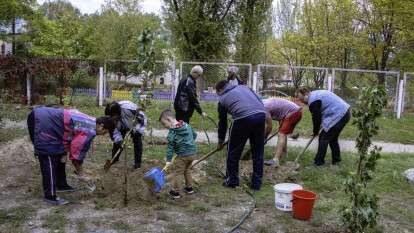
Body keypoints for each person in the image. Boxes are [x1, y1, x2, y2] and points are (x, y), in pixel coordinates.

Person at [27, 106, 115, 205]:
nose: (103, 135)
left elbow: (71, 137)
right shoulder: (89, 130)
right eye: (105, 132)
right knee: (49, 156)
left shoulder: (90, 121)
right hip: (43, 121)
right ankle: (50, 196)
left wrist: (65, 153)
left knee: (60, 154)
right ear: (101, 126)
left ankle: (61, 184)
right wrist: (81, 174)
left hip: (45, 118)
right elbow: (76, 153)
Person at [216, 80, 266, 190]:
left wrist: (220, 141)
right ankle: (256, 183)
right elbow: (260, 102)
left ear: (220, 90)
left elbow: (223, 123)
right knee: (258, 151)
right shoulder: (244, 88)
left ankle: (232, 180)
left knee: (233, 151)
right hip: (261, 115)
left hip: (242, 118)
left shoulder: (222, 99)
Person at [295, 88, 351, 166]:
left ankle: (319, 163)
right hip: (344, 112)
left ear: (306, 94)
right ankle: (337, 161)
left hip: (340, 114)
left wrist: (315, 131)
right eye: (300, 101)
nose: (302, 102)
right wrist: (316, 130)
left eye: (302, 99)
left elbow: (316, 118)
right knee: (332, 138)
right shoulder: (314, 95)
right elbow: (319, 116)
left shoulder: (313, 102)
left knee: (323, 138)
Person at [159, 109, 197, 199]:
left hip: (182, 155)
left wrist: (168, 161)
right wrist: (189, 143)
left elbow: (170, 148)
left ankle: (175, 192)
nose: (165, 127)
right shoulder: (186, 125)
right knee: (187, 169)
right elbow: (194, 135)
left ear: (169, 119)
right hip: (192, 153)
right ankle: (189, 188)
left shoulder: (173, 132)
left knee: (178, 173)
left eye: (164, 124)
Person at [105, 100, 147, 169]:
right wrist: (118, 140)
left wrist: (137, 130)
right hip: (122, 125)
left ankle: (137, 163)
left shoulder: (129, 108)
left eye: (113, 118)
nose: (112, 120)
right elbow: (114, 131)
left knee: (137, 139)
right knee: (117, 143)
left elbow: (143, 119)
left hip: (134, 124)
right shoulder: (111, 118)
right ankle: (114, 160)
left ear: (116, 114)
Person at [263, 98, 303, 167]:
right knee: (283, 134)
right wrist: (281, 126)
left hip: (293, 113)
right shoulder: (264, 104)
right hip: (296, 112)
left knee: (281, 134)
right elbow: (280, 112)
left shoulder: (264, 108)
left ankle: (275, 161)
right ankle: (283, 153)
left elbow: (269, 127)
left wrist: (264, 138)